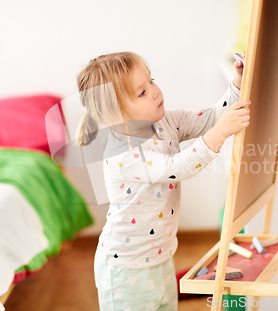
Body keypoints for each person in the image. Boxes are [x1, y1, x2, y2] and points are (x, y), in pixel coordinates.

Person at [75, 51, 250, 310]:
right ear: (117, 112)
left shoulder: (166, 122)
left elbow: (212, 118)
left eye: (152, 82)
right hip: (126, 268)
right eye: (142, 93)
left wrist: (237, 83)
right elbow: (175, 167)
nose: (156, 92)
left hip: (160, 256)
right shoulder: (124, 154)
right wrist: (220, 133)